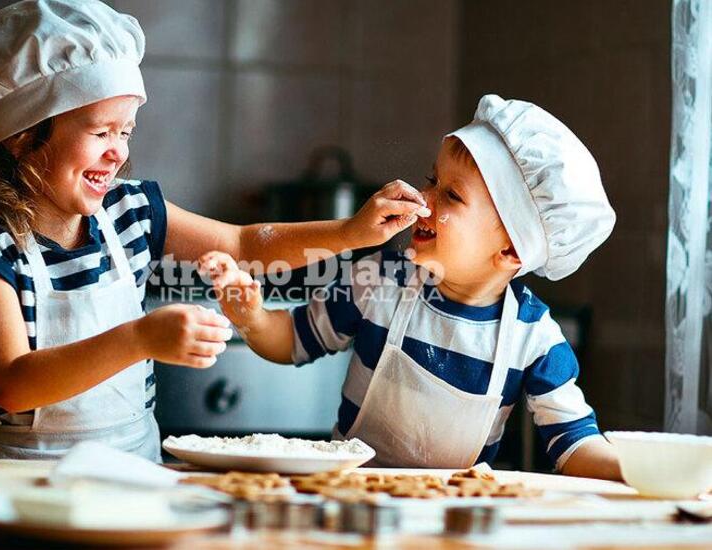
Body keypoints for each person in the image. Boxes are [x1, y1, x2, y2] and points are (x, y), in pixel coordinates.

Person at [0, 0, 425, 460]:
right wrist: (138, 339)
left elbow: (244, 244)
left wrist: (351, 233)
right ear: (24, 136)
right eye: (100, 131)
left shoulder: (132, 211)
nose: (118, 152)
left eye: (126, 131)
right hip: (23, 483)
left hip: (135, 472)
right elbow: (11, 382)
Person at [201, 95, 623, 480]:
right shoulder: (379, 280)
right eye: (431, 179)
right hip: (348, 499)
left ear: (512, 249)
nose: (424, 198)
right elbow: (292, 340)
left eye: (451, 196)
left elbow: (575, 444)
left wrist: (640, 470)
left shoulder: (534, 338)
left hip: (452, 517)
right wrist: (252, 317)